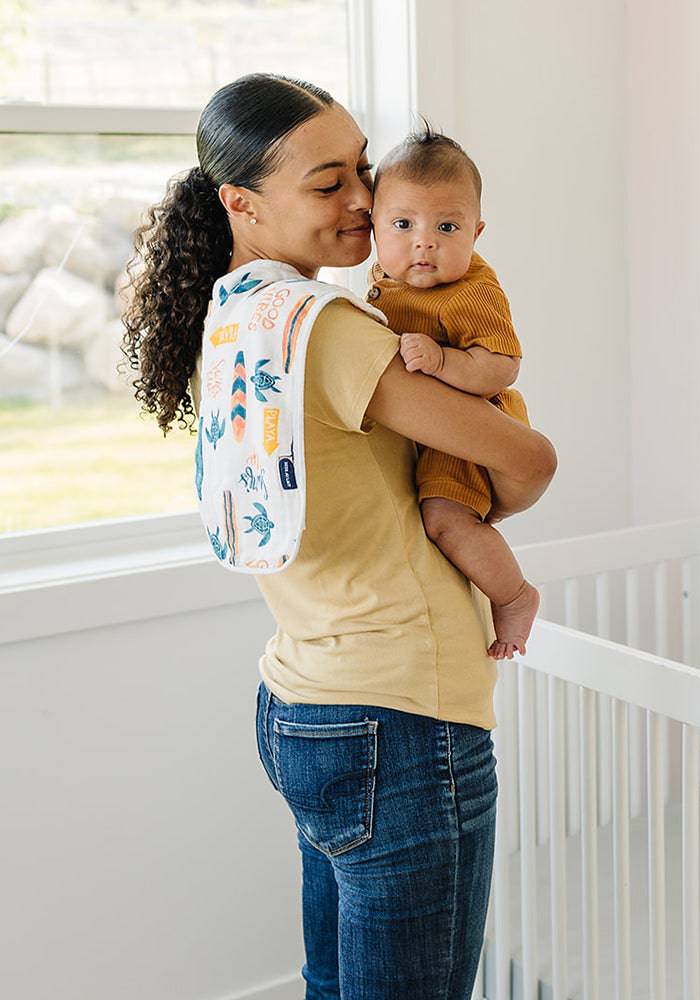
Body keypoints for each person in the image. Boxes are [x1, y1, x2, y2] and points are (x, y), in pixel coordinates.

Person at [121, 72, 556, 1000]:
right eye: (328, 184)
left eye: (362, 169)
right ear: (242, 202)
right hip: (400, 715)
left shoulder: (234, 315)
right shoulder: (328, 328)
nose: (365, 199)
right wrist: (475, 515)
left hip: (302, 696)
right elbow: (531, 457)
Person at [367, 125, 539, 661]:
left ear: (476, 232)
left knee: (446, 520)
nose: (424, 241)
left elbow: (502, 367)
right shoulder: (385, 277)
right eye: (402, 224)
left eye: (446, 226)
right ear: (372, 227)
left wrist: (444, 360)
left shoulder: (471, 292)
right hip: (423, 428)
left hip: (467, 429)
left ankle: (513, 595)